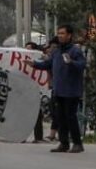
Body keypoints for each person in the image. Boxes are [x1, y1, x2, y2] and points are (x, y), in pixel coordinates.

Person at [29, 24, 88, 154]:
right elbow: (47, 64)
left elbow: (82, 65)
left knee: (70, 117)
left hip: (71, 91)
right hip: (58, 90)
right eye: (59, 33)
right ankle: (64, 143)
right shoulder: (57, 51)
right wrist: (34, 64)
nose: (60, 36)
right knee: (60, 117)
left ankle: (77, 143)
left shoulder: (75, 51)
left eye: (62, 33)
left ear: (69, 35)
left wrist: (71, 63)